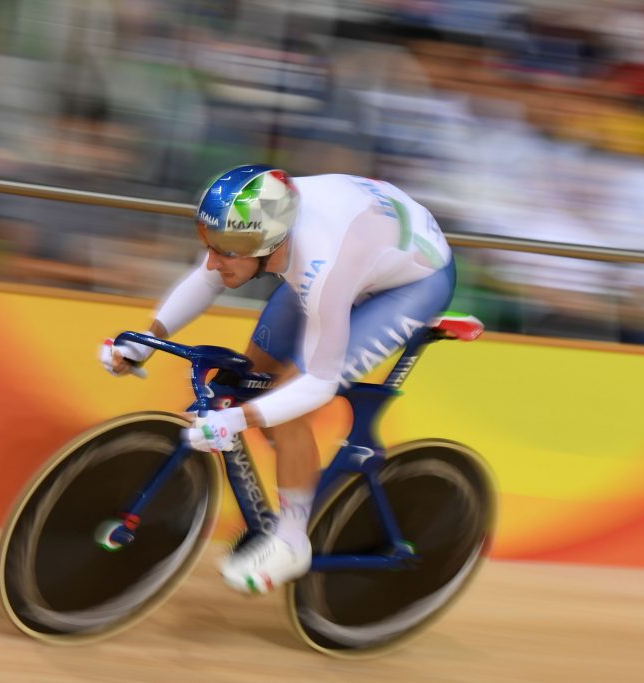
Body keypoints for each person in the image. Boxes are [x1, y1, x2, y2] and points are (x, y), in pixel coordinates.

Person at [100, 164, 455, 594]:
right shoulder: (253, 224)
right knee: (253, 379)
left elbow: (318, 384)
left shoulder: (321, 266)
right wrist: (145, 342)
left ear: (268, 244)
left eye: (227, 251)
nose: (215, 260)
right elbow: (206, 279)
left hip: (411, 282)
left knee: (288, 406)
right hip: (364, 242)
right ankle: (296, 474)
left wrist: (241, 420)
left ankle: (291, 540)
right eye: (209, 244)